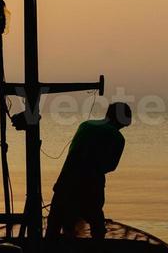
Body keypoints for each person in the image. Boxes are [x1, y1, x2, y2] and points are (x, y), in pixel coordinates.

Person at [46, 101, 132, 240]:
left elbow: (73, 151)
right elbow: (110, 166)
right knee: (96, 225)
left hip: (66, 181)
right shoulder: (118, 137)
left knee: (54, 225)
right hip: (91, 187)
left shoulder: (85, 125)